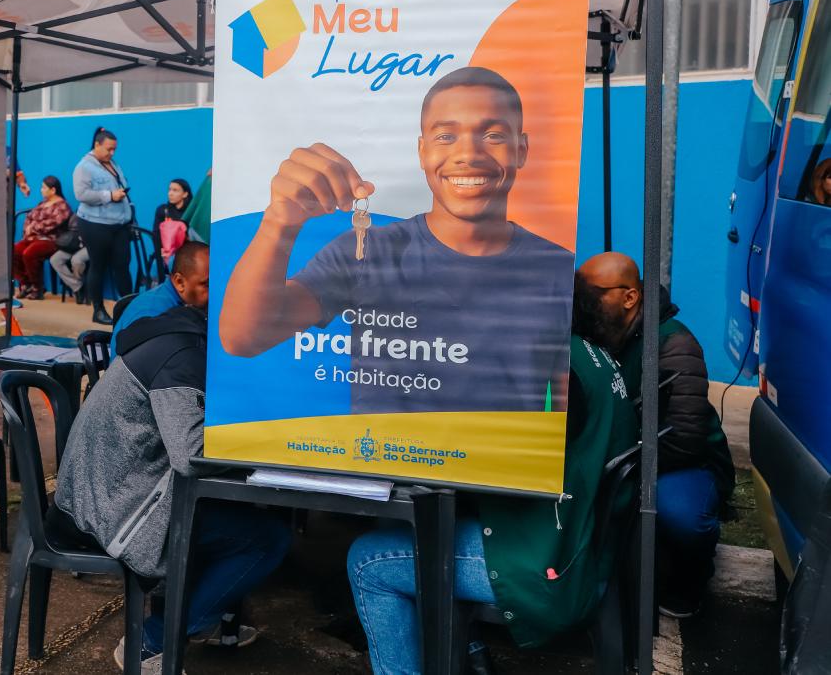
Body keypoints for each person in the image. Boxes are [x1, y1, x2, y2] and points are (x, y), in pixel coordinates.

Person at [219, 66, 573, 414]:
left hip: (500, 469)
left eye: (493, 136)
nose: (468, 154)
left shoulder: (557, 268)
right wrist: (279, 221)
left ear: (522, 149)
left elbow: (561, 402)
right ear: (422, 152)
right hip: (384, 466)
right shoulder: (365, 252)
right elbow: (242, 338)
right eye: (446, 136)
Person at [348, 331, 639, 674]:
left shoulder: (549, 367)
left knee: (367, 562)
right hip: (577, 542)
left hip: (545, 559)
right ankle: (467, 647)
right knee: (398, 525)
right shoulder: (589, 352)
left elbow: (508, 464)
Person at [51, 293, 289, 673]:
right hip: (114, 510)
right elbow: (190, 454)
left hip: (108, 491)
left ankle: (200, 617)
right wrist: (264, 439)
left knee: (240, 515)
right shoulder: (183, 359)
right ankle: (153, 641)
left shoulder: (182, 335)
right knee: (266, 539)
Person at [573, 251, 735, 618]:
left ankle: (690, 579)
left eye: (590, 293)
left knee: (682, 516)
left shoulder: (672, 343)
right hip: (623, 454)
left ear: (629, 297)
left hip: (682, 462)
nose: (580, 303)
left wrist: (619, 471)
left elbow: (686, 438)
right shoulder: (597, 332)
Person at [74, 127, 133, 325]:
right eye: (109, 149)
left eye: (114, 149)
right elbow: (81, 195)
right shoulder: (84, 167)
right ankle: (98, 310)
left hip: (119, 224)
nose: (112, 153)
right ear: (97, 145)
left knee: (122, 266)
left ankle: (129, 310)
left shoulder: (112, 163)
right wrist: (109, 195)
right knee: (98, 266)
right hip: (95, 224)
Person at [110, 242, 209, 357]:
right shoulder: (152, 314)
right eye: (207, 284)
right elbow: (142, 367)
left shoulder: (182, 303)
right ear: (179, 282)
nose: (214, 292)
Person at [14, 175, 72, 300]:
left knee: (29, 253)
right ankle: (26, 284)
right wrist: (28, 230)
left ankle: (37, 287)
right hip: (33, 238)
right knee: (13, 251)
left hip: (51, 240)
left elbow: (53, 223)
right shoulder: (43, 203)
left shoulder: (62, 206)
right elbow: (29, 217)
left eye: (43, 187)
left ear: (53, 190)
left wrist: (33, 228)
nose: (41, 190)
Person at [152, 178, 191, 266]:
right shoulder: (162, 210)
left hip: (186, 255)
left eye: (175, 190)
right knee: (156, 264)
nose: (170, 193)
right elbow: (156, 235)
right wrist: (160, 252)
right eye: (169, 190)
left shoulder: (191, 212)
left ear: (185, 194)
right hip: (166, 255)